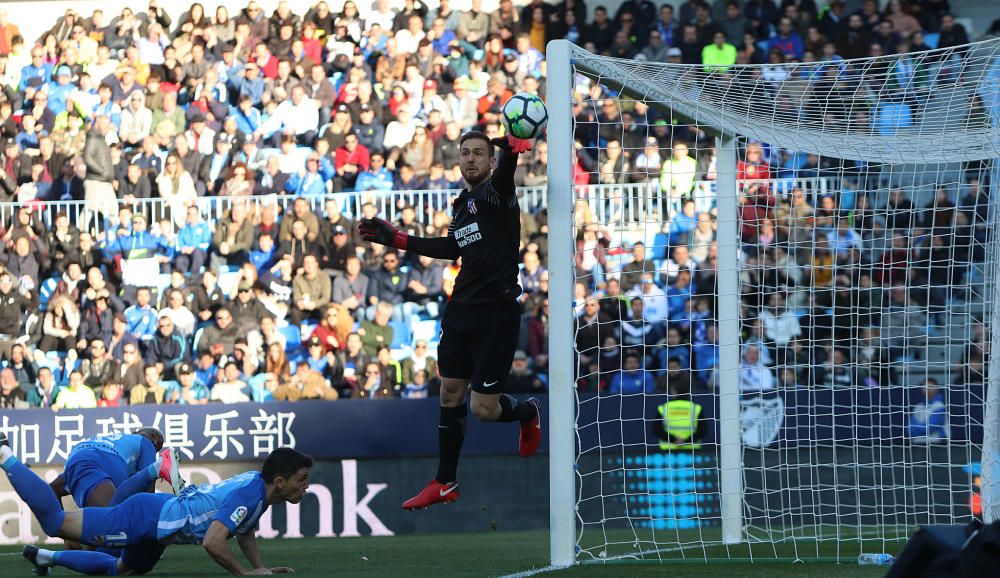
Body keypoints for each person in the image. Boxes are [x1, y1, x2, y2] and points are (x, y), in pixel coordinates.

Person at [360, 130, 541, 510]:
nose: (472, 158)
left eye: (480, 153)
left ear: (491, 161)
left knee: (483, 410)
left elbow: (507, 174)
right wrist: (399, 240)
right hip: (461, 310)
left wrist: (510, 152)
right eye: (465, 153)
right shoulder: (462, 203)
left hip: (497, 314)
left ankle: (527, 412)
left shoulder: (498, 194)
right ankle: (444, 481)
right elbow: (451, 247)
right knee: (450, 392)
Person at [5, 441, 310, 577]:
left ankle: (48, 557)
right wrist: (244, 573)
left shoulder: (259, 489)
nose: (306, 487)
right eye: (302, 479)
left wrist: (260, 567)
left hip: (159, 528)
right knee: (55, 523)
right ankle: (5, 455)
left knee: (119, 571)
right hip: (146, 517)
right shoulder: (250, 492)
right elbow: (213, 542)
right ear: (280, 481)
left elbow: (245, 532)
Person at [49, 429, 183, 509]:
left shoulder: (108, 440)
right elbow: (147, 492)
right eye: (156, 448)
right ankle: (161, 466)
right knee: (114, 526)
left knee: (96, 534)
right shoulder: (145, 442)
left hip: (76, 459)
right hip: (108, 461)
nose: (154, 451)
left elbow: (52, 489)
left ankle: (65, 531)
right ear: (153, 438)